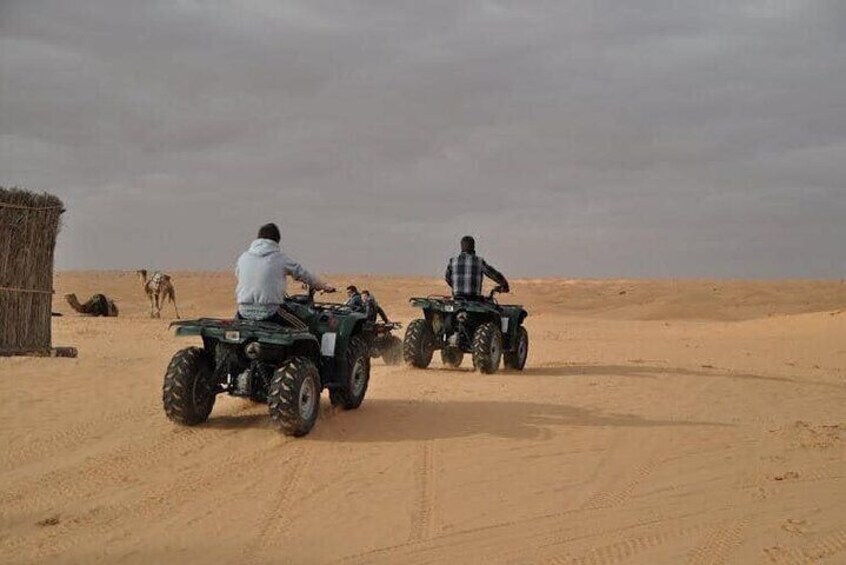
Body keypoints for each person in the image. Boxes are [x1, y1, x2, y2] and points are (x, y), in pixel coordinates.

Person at [235, 222, 334, 325]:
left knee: (235, 328)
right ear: (277, 241)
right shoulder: (280, 259)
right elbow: (304, 275)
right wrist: (323, 286)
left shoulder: (243, 257)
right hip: (270, 311)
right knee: (304, 329)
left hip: (243, 311)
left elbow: (238, 275)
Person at [445, 235, 509, 299]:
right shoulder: (479, 262)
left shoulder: (453, 261)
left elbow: (448, 278)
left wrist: (458, 286)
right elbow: (494, 274)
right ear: (473, 247)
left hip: (457, 300)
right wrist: (504, 285)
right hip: (474, 300)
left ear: (461, 247)